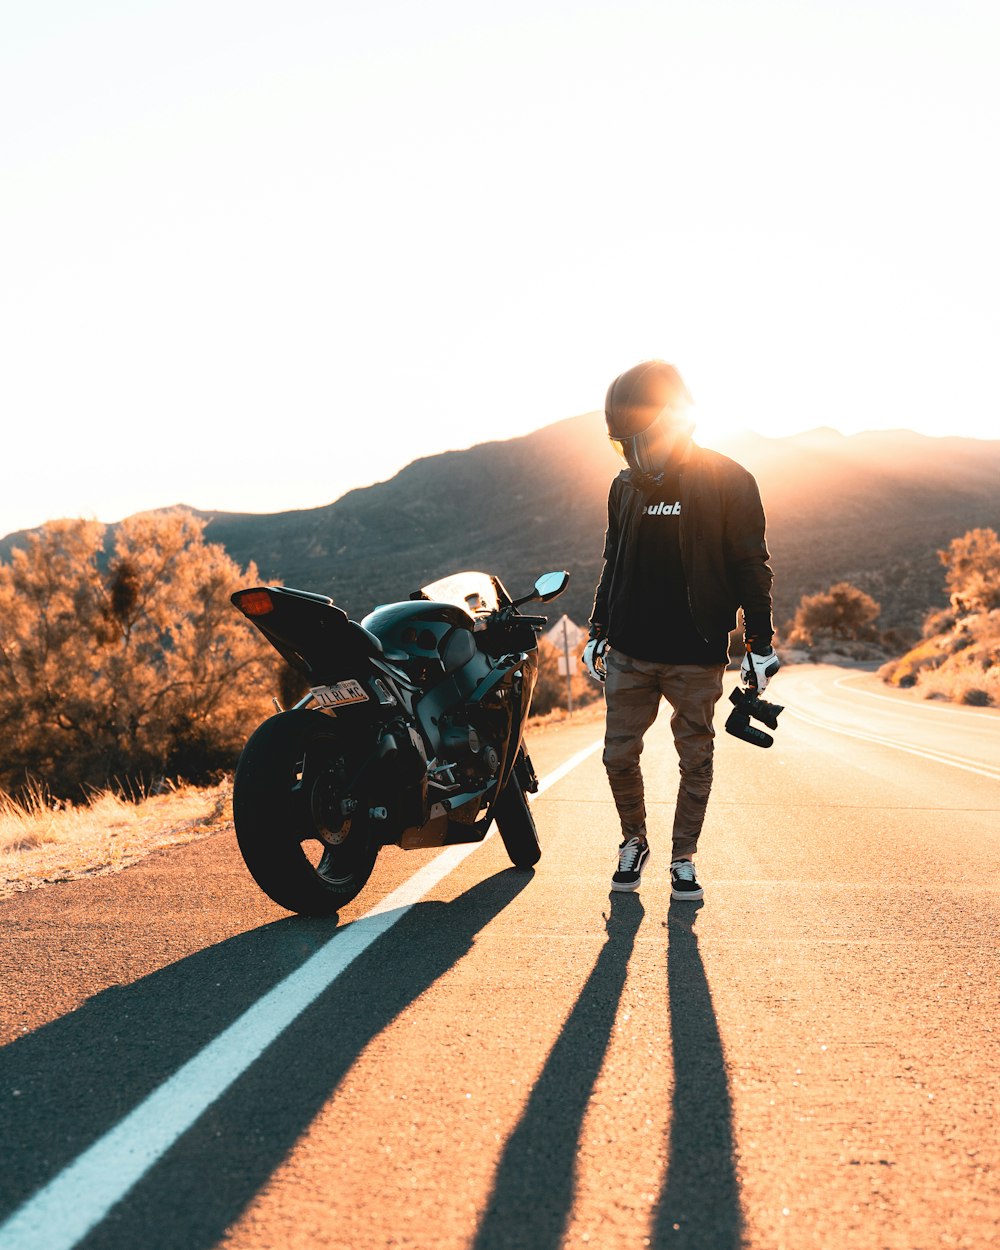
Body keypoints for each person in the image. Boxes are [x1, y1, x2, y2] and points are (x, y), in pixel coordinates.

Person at [582, 360, 778, 899]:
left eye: (635, 438)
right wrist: (599, 628)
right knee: (617, 756)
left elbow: (749, 565)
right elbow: (612, 560)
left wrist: (760, 644)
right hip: (629, 650)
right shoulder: (624, 487)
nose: (629, 452)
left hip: (695, 651)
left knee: (696, 758)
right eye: (620, 442)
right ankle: (634, 840)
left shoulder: (729, 480)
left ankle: (683, 857)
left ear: (669, 420)